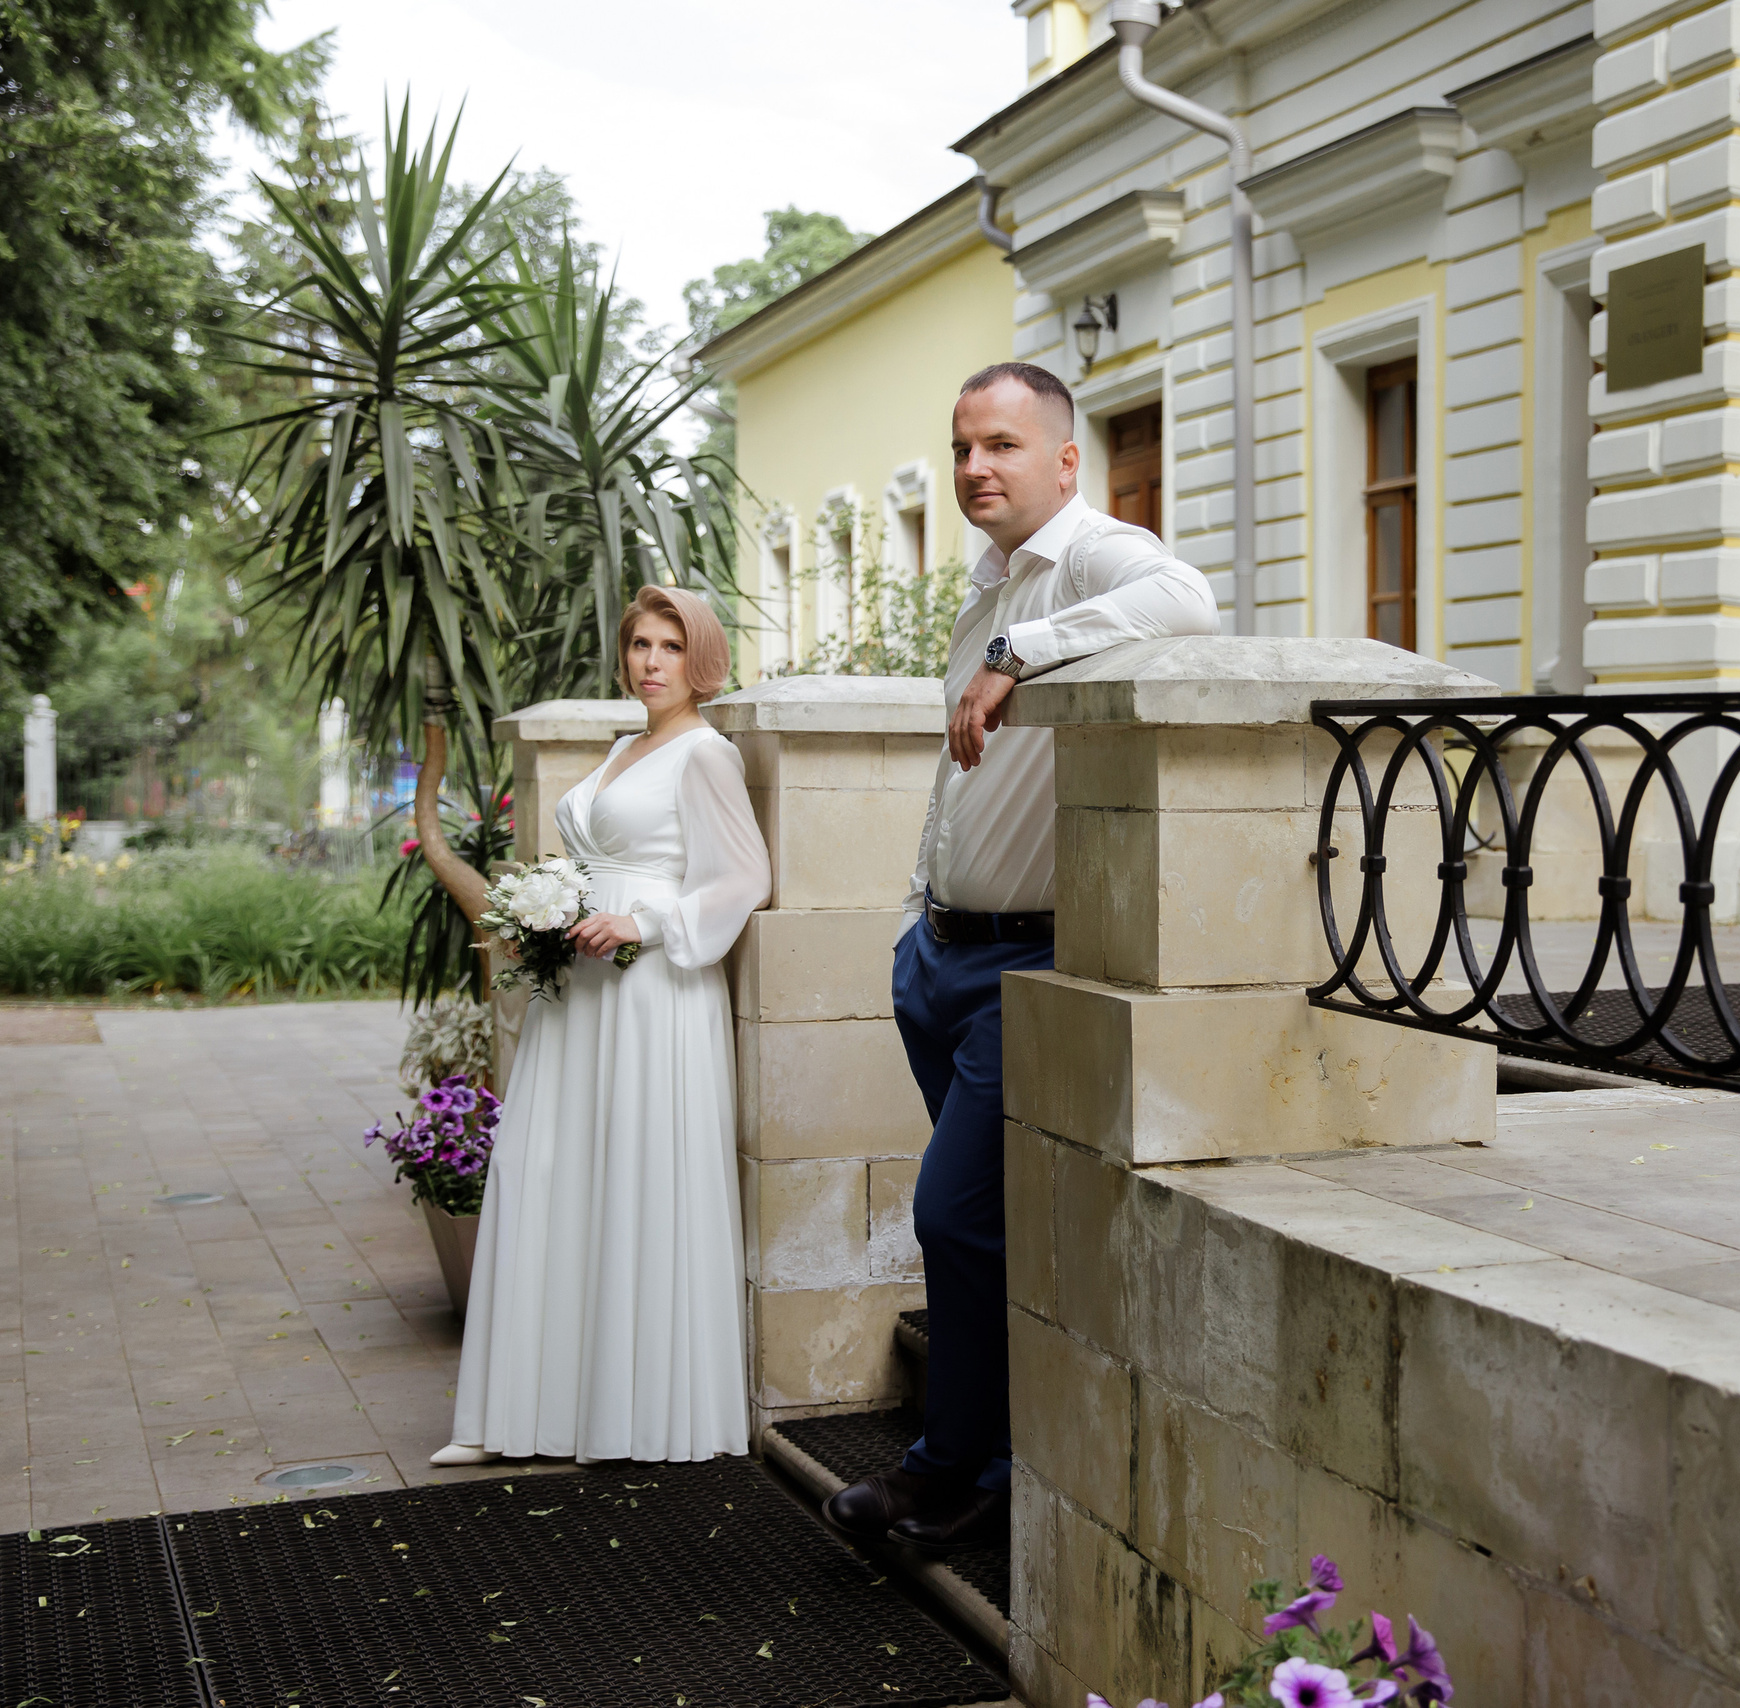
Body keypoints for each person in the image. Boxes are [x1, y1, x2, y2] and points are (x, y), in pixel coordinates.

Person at [821, 362, 1217, 1553]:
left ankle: (945, 1472)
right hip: (940, 958)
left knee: (949, 1214)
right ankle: (994, 1469)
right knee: (986, 1231)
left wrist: (1024, 646)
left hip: (1023, 967)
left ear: (1063, 459)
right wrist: (914, 921)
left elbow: (1190, 605)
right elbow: (962, 776)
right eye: (960, 449)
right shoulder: (986, 585)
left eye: (1000, 444)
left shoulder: (1093, 559)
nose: (974, 469)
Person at [432, 584, 771, 1466]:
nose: (651, 663)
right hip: (577, 994)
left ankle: (638, 1415)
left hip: (652, 995)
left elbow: (743, 877)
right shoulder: (626, 745)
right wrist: (545, 911)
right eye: (639, 646)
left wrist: (643, 923)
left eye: (669, 646)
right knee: (548, 1165)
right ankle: (517, 1411)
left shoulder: (704, 755)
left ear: (699, 659)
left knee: (633, 1175)